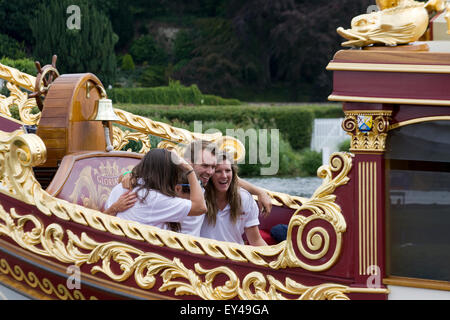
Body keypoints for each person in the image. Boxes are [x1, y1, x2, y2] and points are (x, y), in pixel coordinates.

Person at [111, 139, 273, 235]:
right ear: (188, 163)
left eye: (213, 167)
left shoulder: (206, 181)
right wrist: (128, 174)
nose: (211, 173)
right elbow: (150, 170)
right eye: (205, 166)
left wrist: (259, 191)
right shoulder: (173, 180)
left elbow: (229, 178)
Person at [104, 148, 206, 230]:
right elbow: (200, 207)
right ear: (168, 175)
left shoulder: (120, 187)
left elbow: (102, 221)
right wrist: (189, 170)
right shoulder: (155, 198)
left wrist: (114, 208)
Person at [200, 152, 267, 246]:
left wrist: (273, 259)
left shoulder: (244, 198)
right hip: (203, 254)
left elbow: (255, 240)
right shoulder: (200, 196)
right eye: (218, 171)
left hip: (235, 257)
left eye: (228, 170)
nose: (224, 176)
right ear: (210, 174)